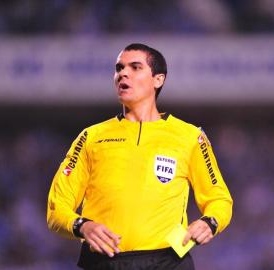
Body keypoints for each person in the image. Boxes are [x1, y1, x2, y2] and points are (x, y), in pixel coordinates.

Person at [47, 43, 233, 270]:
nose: (123, 73)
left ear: (158, 80)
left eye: (135, 67)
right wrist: (82, 226)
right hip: (104, 261)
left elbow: (219, 199)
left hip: (169, 261)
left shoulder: (190, 136)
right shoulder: (91, 137)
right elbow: (57, 208)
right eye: (119, 68)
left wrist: (209, 222)